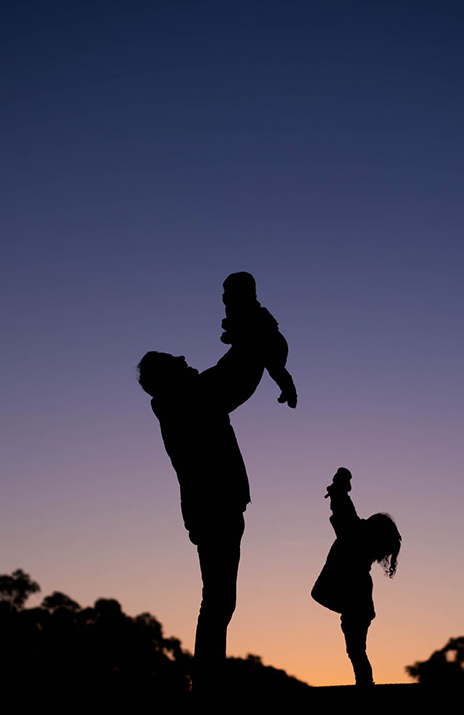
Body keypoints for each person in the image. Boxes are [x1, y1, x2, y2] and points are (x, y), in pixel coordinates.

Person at [136, 344, 293, 692]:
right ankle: (207, 683)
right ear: (169, 377)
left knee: (219, 598)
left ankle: (208, 681)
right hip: (214, 510)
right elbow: (230, 378)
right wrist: (251, 342)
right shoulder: (186, 400)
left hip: (214, 509)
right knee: (219, 600)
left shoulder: (183, 398)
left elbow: (229, 377)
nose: (186, 363)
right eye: (179, 364)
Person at [312, 468, 401, 686]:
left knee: (356, 650)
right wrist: (339, 489)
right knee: (356, 650)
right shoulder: (356, 534)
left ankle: (364, 683)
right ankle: (364, 682)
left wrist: (339, 488)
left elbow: (344, 512)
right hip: (354, 598)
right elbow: (344, 512)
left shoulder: (355, 536)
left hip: (355, 598)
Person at [220, 271, 297, 409]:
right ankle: (288, 389)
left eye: (229, 293)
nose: (225, 297)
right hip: (249, 349)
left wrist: (232, 335)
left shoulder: (254, 315)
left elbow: (253, 331)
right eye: (225, 293)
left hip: (268, 346)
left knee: (274, 366)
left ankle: (289, 390)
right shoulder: (239, 312)